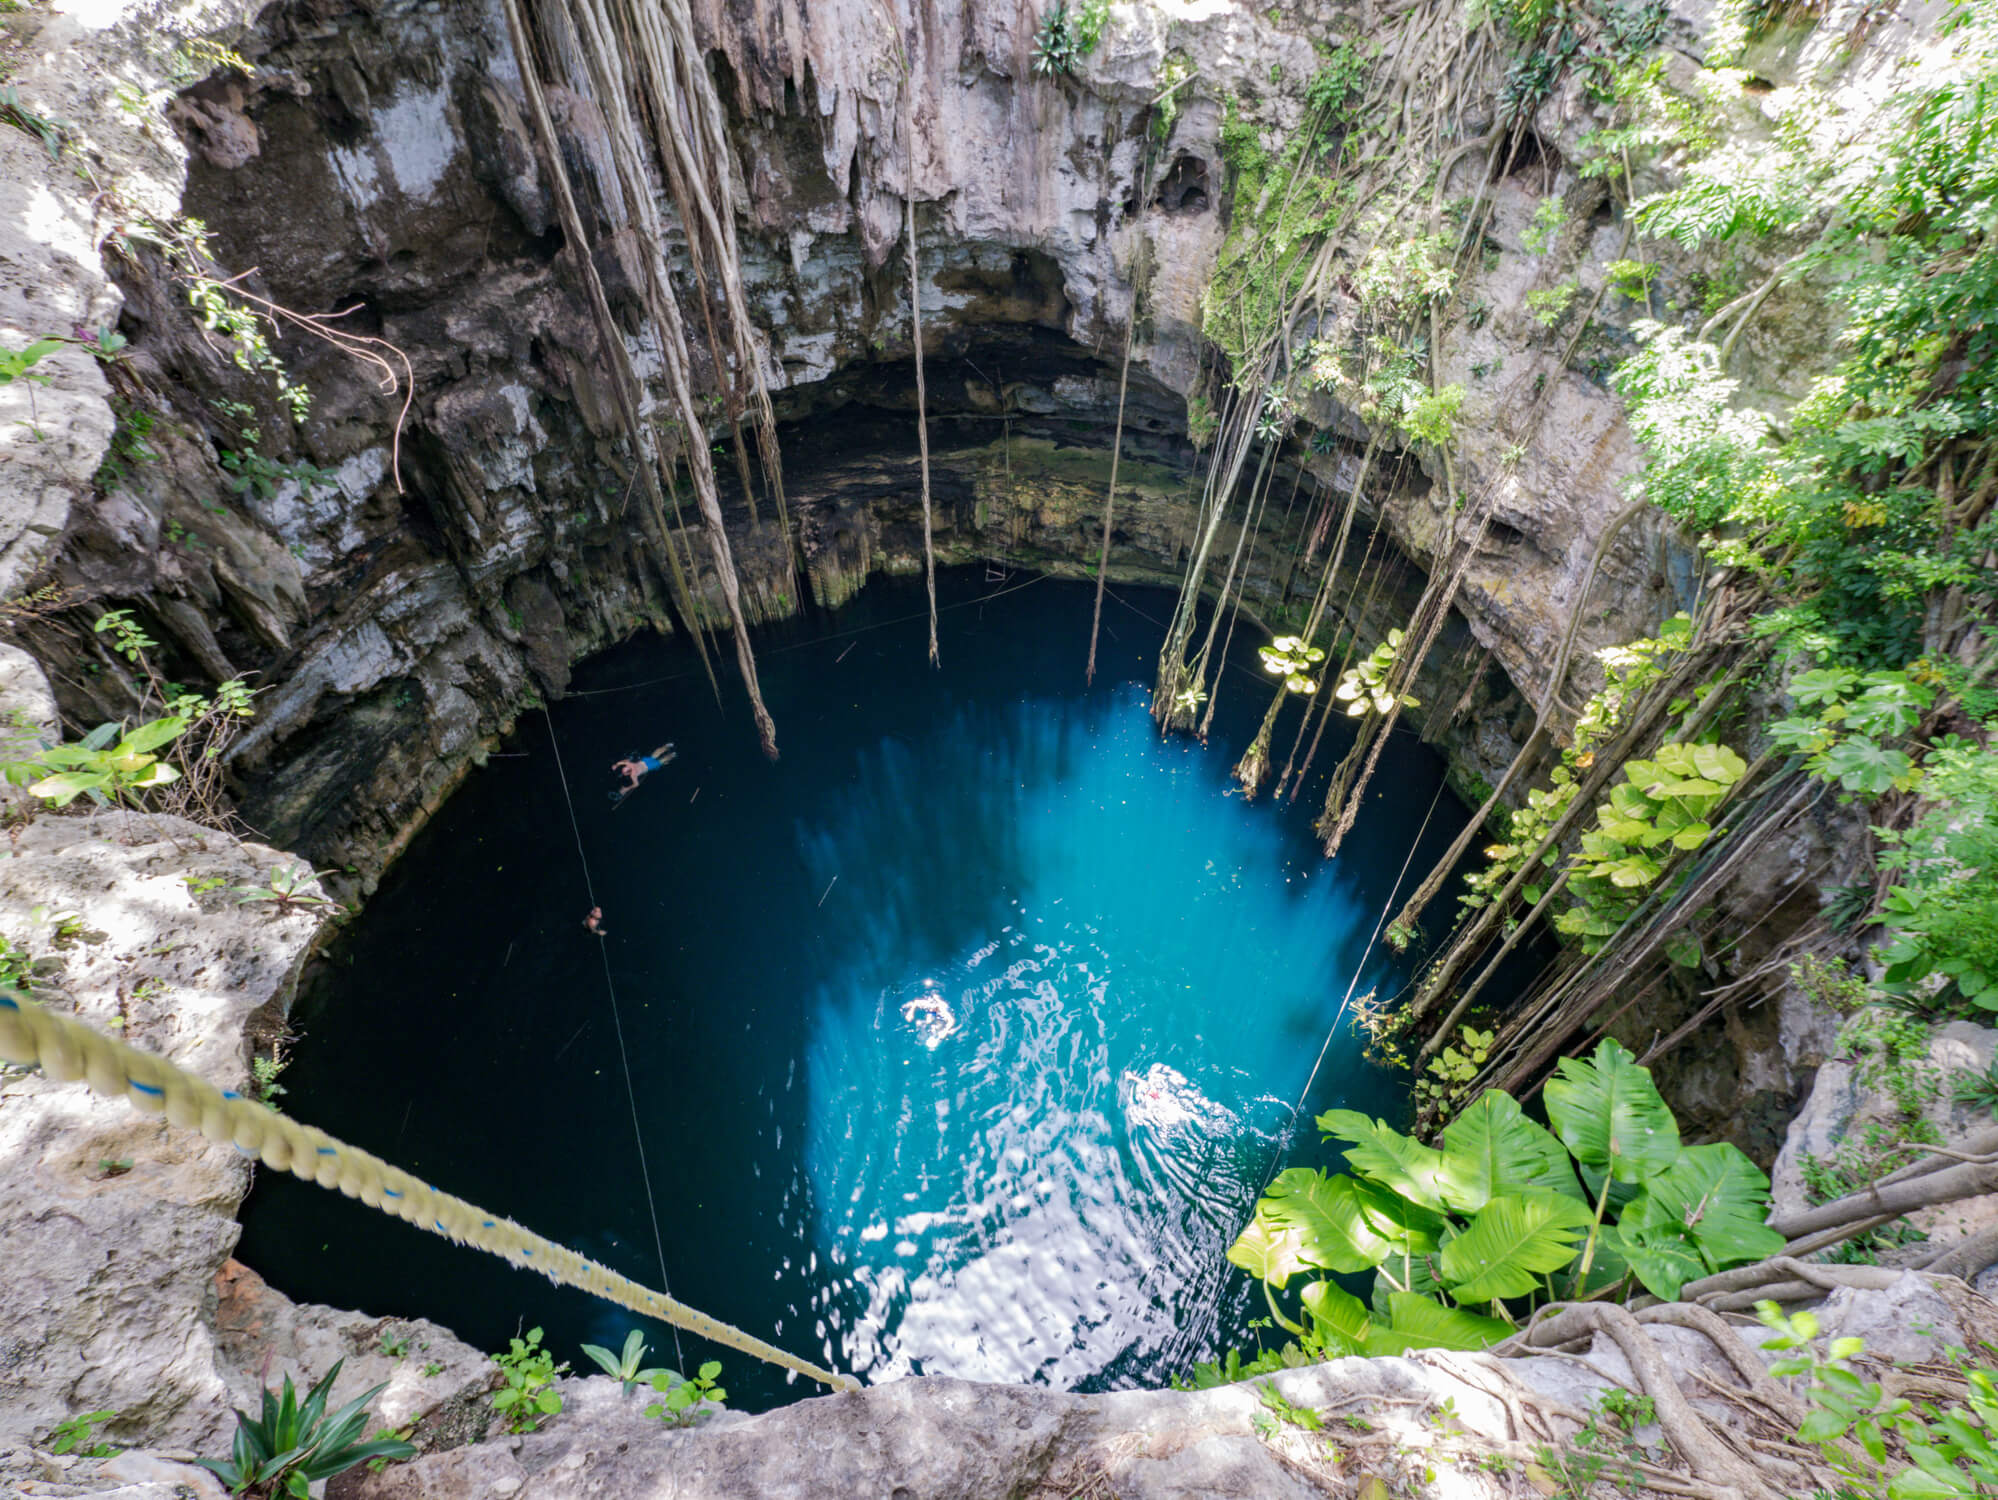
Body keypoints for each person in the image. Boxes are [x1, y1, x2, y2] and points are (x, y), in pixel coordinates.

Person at [611, 743, 676, 793]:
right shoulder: (633, 775)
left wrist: (616, 765)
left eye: (624, 768)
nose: (625, 768)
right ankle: (672, 755)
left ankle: (667, 747)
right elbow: (636, 784)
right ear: (628, 773)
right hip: (649, 766)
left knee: (657, 752)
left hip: (644, 761)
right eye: (625, 770)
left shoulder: (629, 765)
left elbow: (623, 762)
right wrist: (628, 788)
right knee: (662, 760)